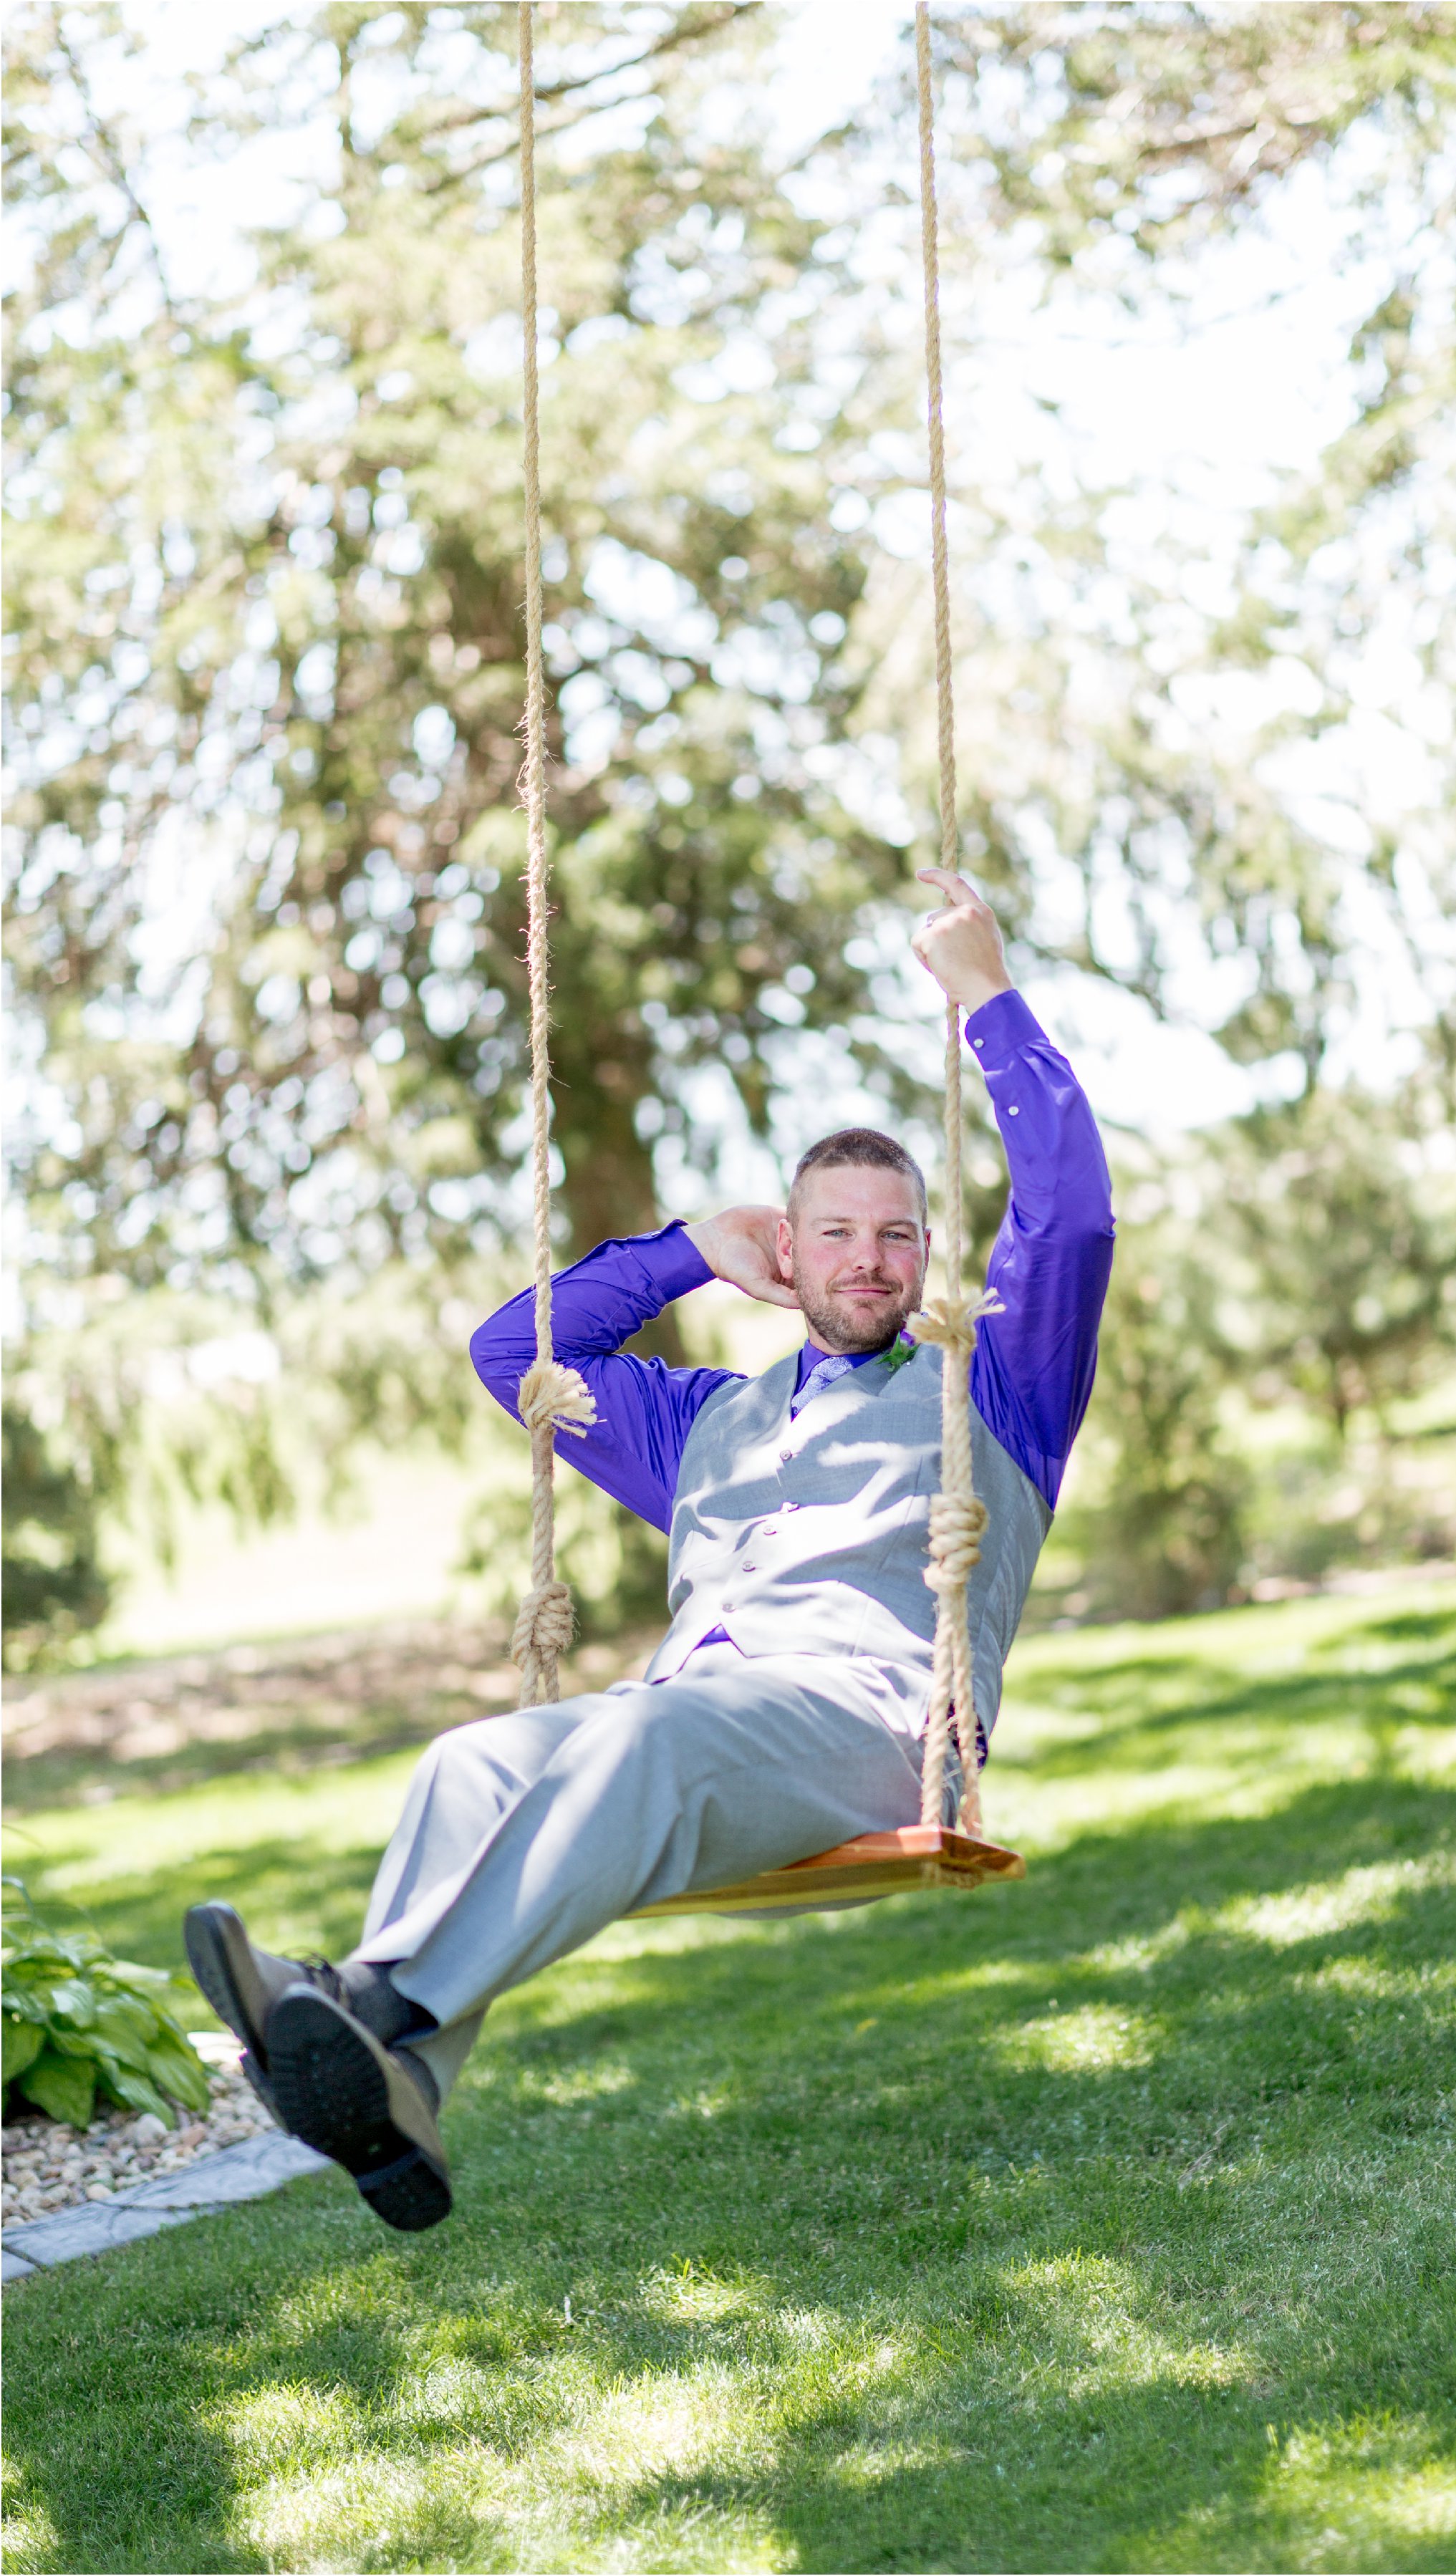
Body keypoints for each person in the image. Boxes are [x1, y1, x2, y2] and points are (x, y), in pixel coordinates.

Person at [183, 869, 1114, 2232]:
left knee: (633, 1741)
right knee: (470, 1758)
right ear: (785, 1254)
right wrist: (682, 1251)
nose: (868, 1262)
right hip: (699, 1724)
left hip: (874, 1725)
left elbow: (1073, 1217)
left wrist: (987, 1000)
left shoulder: (999, 1399)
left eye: (897, 1238)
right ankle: (405, 2092)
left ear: (925, 1260)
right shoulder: (705, 1421)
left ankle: (373, 2003)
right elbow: (517, 1353)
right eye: (836, 1235)